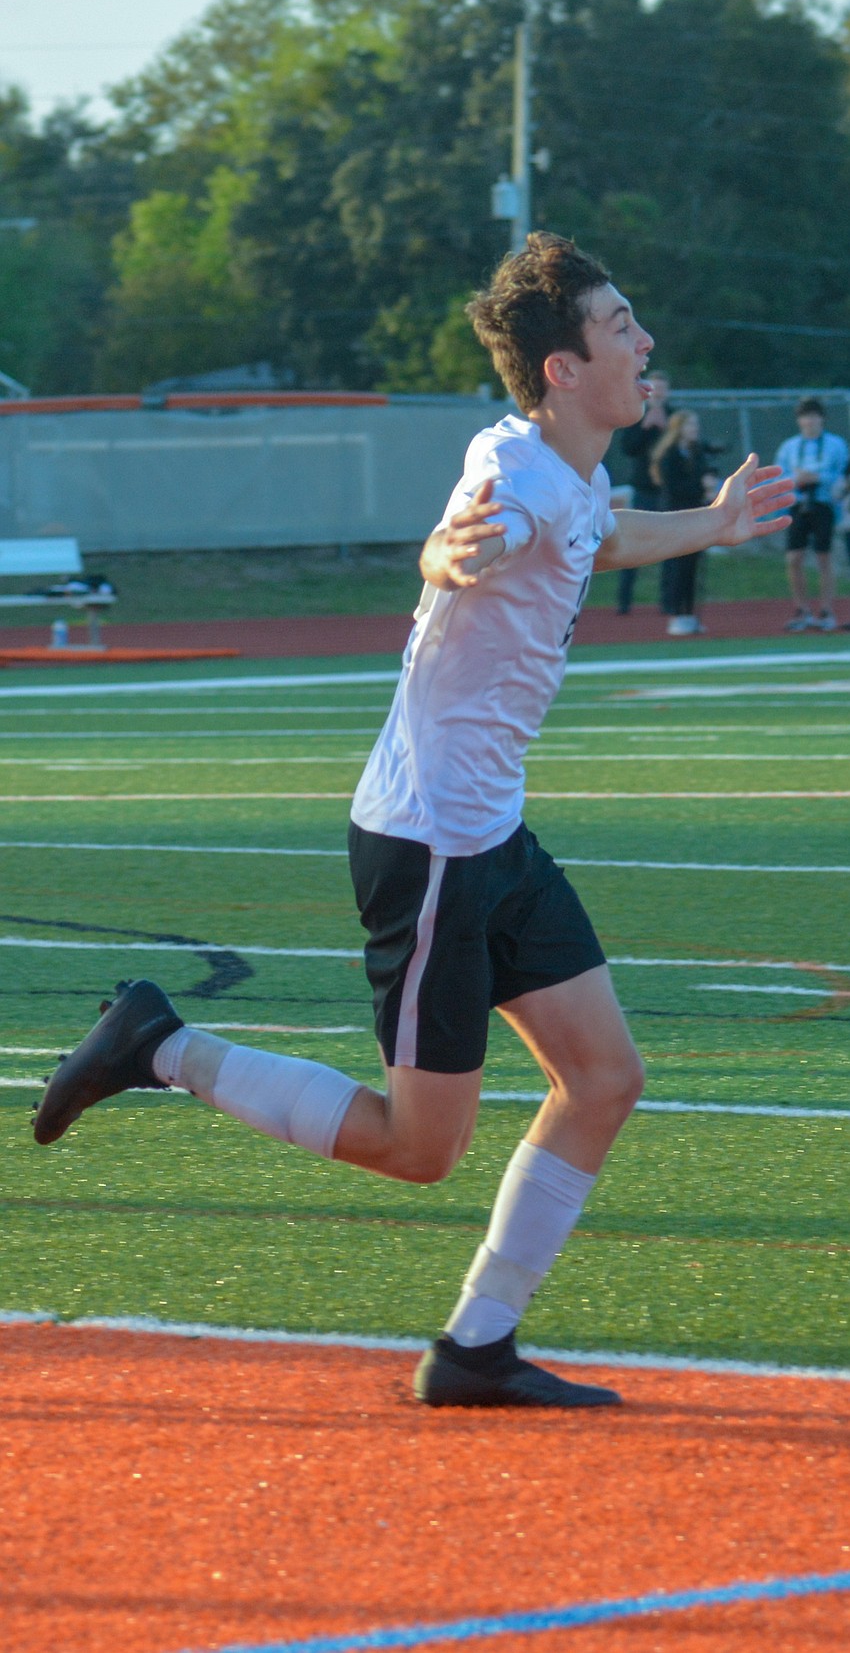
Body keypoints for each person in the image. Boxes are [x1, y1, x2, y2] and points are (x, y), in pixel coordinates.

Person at [31, 233, 794, 1410]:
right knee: (417, 1147)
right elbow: (463, 546)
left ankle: (475, 1348)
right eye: (621, 324)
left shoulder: (572, 473)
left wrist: (712, 519)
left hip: (490, 835)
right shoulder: (517, 475)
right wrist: (441, 558)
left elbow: (602, 535)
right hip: (431, 844)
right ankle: (157, 1044)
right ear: (561, 368)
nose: (645, 342)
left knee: (603, 1079)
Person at [774, 396, 848, 632]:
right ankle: (802, 609)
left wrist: (819, 478)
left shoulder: (836, 444)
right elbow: (779, 476)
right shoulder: (790, 446)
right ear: (799, 420)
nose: (810, 421)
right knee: (794, 558)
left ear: (822, 418)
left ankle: (826, 609)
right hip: (798, 504)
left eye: (814, 416)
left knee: (823, 557)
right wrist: (798, 479)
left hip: (824, 504)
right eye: (805, 416)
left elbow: (843, 476)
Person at [650, 409, 719, 636]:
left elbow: (707, 469)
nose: (695, 429)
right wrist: (701, 486)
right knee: (679, 565)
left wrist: (709, 480)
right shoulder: (669, 455)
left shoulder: (696, 452)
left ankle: (690, 613)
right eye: (690, 425)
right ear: (679, 428)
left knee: (692, 565)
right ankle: (677, 613)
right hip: (675, 515)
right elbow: (673, 488)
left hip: (695, 513)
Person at [614, 370, 671, 614]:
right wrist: (647, 427)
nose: (657, 392)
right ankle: (624, 603)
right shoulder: (635, 414)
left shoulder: (676, 416)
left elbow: (684, 443)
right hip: (643, 489)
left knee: (671, 546)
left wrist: (667, 427)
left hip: (668, 490)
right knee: (633, 546)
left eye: (662, 388)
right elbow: (628, 447)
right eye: (654, 387)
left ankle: (668, 602)